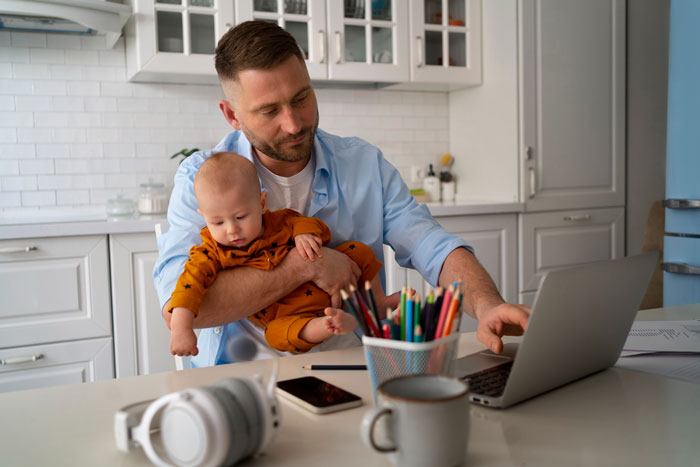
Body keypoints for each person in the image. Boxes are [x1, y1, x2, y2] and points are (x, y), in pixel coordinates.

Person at [154, 21, 531, 368]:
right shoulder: (201, 179)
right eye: (269, 111)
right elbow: (181, 308)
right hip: (240, 378)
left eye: (301, 98)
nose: (293, 123)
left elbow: (429, 243)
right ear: (232, 116)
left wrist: (488, 305)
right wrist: (307, 264)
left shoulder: (363, 164)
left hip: (353, 366)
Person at [168, 152, 387, 355]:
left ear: (262, 203)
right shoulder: (209, 253)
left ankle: (379, 302)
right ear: (203, 216)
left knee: (357, 251)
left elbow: (304, 222)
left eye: (241, 217)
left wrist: (304, 234)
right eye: (217, 222)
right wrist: (181, 329)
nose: (231, 230)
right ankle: (328, 326)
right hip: (286, 314)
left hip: (324, 286)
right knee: (277, 334)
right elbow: (188, 287)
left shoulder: (278, 222)